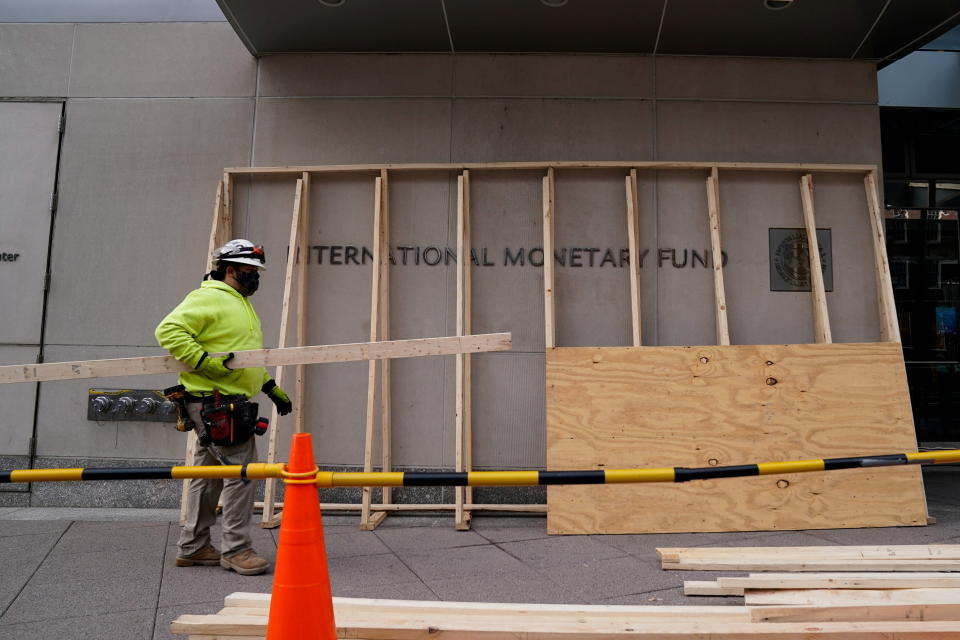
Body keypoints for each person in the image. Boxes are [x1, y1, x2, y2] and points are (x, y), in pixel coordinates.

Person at [155, 239, 292, 576]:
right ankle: (236, 550)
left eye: (257, 272)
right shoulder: (209, 297)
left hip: (217, 404)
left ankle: (194, 546)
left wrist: (269, 386)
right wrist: (205, 363)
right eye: (249, 272)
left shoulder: (238, 303)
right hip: (218, 405)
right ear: (230, 270)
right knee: (241, 477)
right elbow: (168, 330)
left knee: (207, 478)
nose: (255, 278)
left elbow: (240, 354)